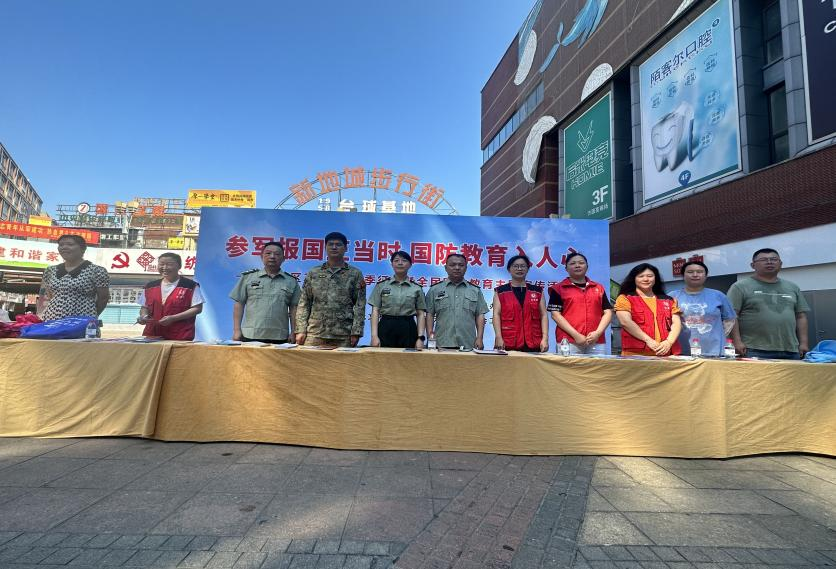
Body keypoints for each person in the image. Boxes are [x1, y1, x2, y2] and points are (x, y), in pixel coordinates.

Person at [728, 248, 810, 359]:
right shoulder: (740, 287)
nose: (769, 262)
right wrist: (736, 342)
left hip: (790, 350)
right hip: (752, 349)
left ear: (780, 264)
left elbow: (801, 316)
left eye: (774, 259)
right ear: (752, 265)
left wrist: (804, 343)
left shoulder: (792, 287)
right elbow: (731, 316)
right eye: (763, 260)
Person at [296, 232, 366, 347]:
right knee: (309, 359)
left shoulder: (355, 274)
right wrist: (300, 330)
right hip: (314, 333)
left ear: (345, 248)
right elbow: (304, 302)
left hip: (344, 334)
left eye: (338, 244)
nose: (334, 247)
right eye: (330, 244)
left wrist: (356, 332)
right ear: (325, 247)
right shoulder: (314, 272)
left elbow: (360, 305)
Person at [229, 241, 301, 343]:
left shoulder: (291, 281)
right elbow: (239, 304)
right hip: (250, 334)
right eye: (268, 253)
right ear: (261, 256)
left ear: (284, 258)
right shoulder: (248, 277)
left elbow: (294, 309)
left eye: (277, 254)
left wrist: (293, 332)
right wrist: (236, 330)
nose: (272, 256)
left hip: (279, 336)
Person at [548, 252, 612, 354]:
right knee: (568, 365)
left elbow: (608, 312)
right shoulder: (558, 289)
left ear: (587, 266)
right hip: (568, 341)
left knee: (597, 365)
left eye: (581, 263)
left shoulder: (598, 287)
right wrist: (576, 335)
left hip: (596, 340)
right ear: (566, 269)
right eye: (572, 263)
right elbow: (555, 315)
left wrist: (598, 333)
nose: (577, 265)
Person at [670, 260, 736, 356]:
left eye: (700, 272)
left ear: (706, 275)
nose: (695, 275)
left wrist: (729, 338)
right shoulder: (672, 296)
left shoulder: (718, 295)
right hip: (681, 351)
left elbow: (730, 320)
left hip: (714, 350)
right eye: (690, 272)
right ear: (683, 275)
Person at [614, 263, 682, 356]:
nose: (646, 279)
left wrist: (669, 342)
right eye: (641, 276)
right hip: (635, 355)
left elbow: (676, 323)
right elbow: (625, 322)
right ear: (634, 279)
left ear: (655, 278)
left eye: (650, 276)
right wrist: (648, 340)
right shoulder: (625, 298)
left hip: (666, 353)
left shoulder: (669, 300)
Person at [36, 234, 109, 321]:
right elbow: (46, 295)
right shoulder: (50, 270)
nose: (64, 247)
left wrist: (92, 315)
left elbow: (103, 298)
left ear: (83, 249)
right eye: (61, 245)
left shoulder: (97, 271)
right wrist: (40, 316)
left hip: (82, 320)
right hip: (52, 320)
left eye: (70, 244)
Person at [425, 253, 488, 349]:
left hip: (468, 343)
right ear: (446, 268)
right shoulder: (435, 289)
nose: (457, 268)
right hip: (441, 343)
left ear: (466, 268)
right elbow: (429, 314)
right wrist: (430, 337)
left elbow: (480, 315)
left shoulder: (475, 290)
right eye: (452, 265)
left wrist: (479, 338)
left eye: (461, 265)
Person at [136, 253, 204, 340]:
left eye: (169, 264)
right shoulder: (150, 286)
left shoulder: (190, 286)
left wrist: (173, 318)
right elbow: (144, 307)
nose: (164, 267)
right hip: (152, 335)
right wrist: (144, 316)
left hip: (179, 335)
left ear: (179, 266)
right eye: (161, 264)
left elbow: (197, 308)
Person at [368, 251, 427, 349]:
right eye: (396, 260)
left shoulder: (416, 288)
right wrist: (374, 336)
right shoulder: (381, 286)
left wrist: (420, 338)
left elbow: (421, 314)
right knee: (383, 357)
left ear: (410, 265)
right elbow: (375, 311)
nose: (400, 263)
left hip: (408, 327)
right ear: (392, 264)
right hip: (386, 326)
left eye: (404, 260)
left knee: (408, 357)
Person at [492, 255, 548, 352]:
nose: (519, 269)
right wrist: (498, 337)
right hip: (508, 342)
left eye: (523, 266)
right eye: (515, 266)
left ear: (527, 269)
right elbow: (496, 315)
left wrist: (545, 338)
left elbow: (543, 315)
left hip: (534, 341)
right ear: (509, 269)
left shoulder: (537, 291)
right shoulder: (501, 291)